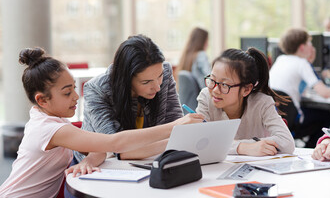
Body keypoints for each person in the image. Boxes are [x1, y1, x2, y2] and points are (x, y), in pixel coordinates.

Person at [0, 48, 203, 198]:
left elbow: (99, 146)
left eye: (73, 88)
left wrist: (89, 160)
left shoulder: (52, 118)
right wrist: (174, 126)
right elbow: (113, 143)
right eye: (67, 92)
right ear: (42, 100)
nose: (76, 97)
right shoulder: (50, 129)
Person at [73, 34, 204, 165]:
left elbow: (174, 128)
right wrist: (179, 137)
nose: (157, 87)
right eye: (146, 82)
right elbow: (119, 150)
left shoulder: (164, 72)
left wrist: (179, 136)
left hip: (149, 162)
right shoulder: (97, 89)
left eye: (160, 76)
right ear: (126, 79)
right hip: (98, 167)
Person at [196, 48, 295, 156]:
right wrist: (241, 147)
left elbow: (287, 143)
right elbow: (199, 143)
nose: (215, 90)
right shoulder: (206, 96)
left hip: (256, 169)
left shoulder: (262, 103)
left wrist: (224, 145)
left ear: (246, 89)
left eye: (224, 85)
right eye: (212, 80)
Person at [269, 28, 330, 148]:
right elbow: (325, 93)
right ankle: (311, 149)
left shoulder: (280, 59)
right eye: (309, 43)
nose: (312, 46)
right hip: (293, 120)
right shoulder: (302, 63)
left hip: (278, 119)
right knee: (326, 115)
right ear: (302, 47)